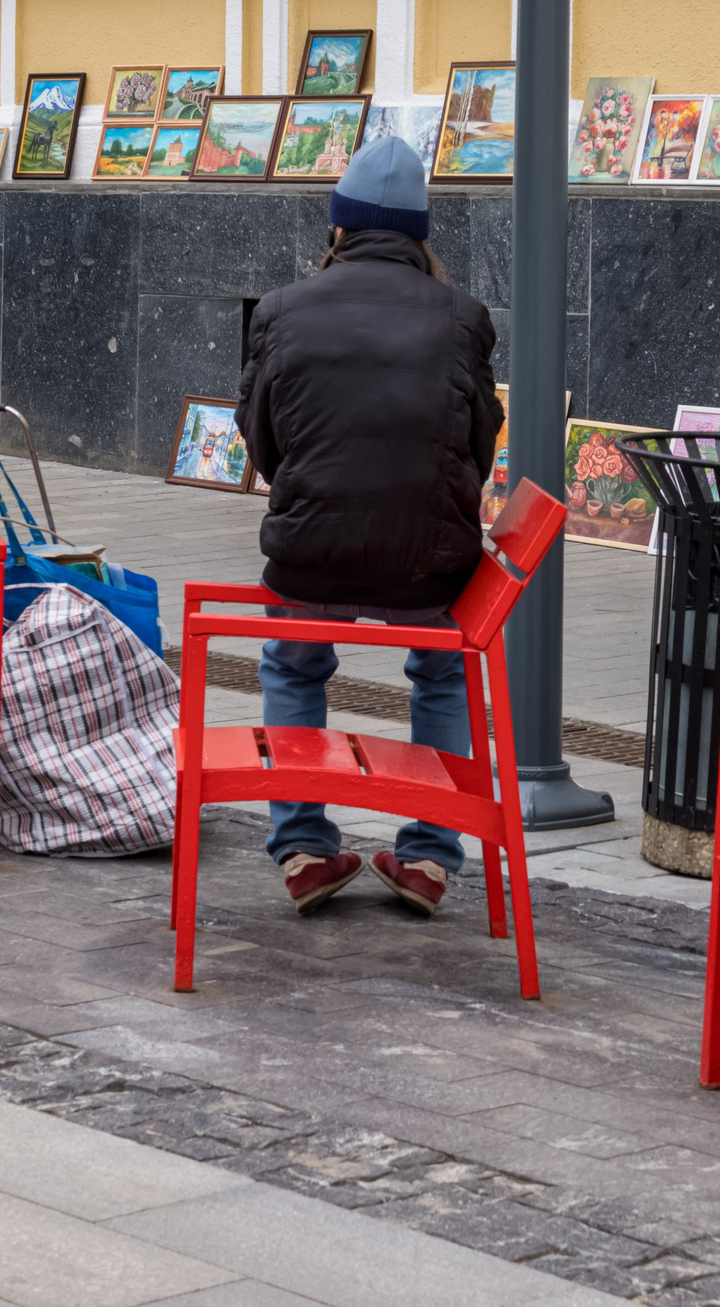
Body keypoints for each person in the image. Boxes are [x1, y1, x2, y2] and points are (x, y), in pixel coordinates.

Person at [237, 136, 502, 918]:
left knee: (293, 666)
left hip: (310, 554)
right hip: (429, 561)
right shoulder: (464, 316)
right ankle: (427, 856)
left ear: (339, 228)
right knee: (443, 673)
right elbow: (480, 443)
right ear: (421, 233)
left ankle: (305, 846)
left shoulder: (283, 310)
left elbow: (263, 442)